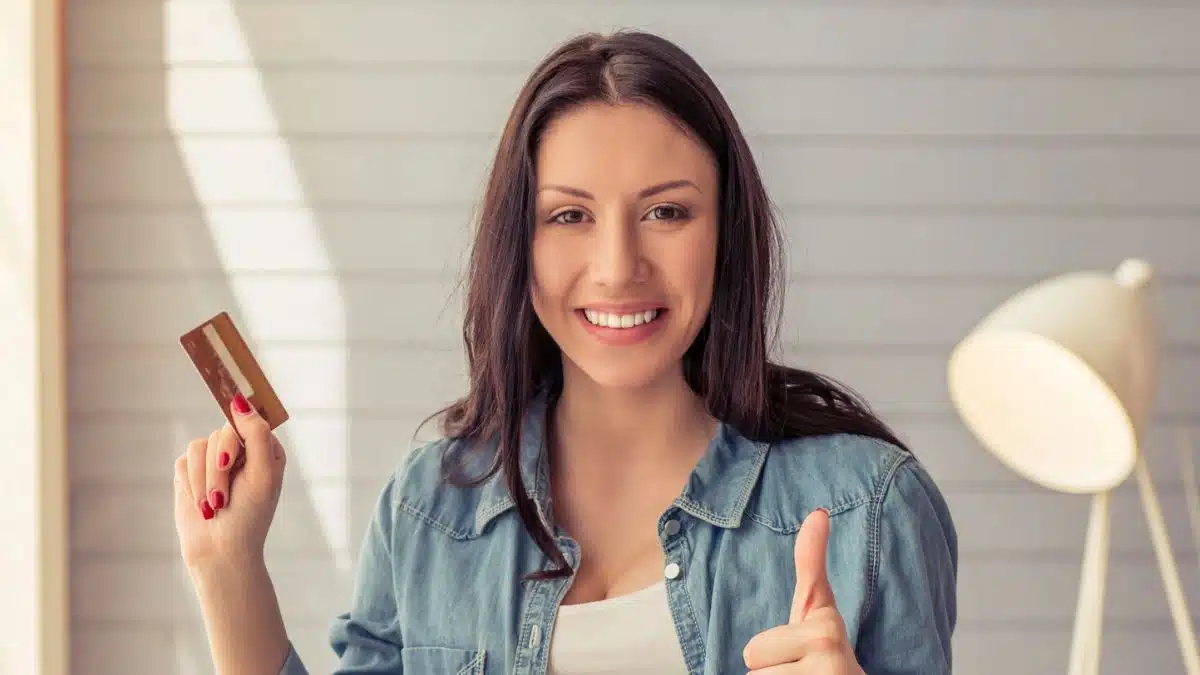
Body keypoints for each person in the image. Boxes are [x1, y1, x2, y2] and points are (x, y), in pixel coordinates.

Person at [174, 30, 957, 675]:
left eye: (666, 211)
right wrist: (227, 565)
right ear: (521, 242)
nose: (618, 266)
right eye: (570, 216)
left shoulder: (870, 510)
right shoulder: (428, 508)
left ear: (727, 234)